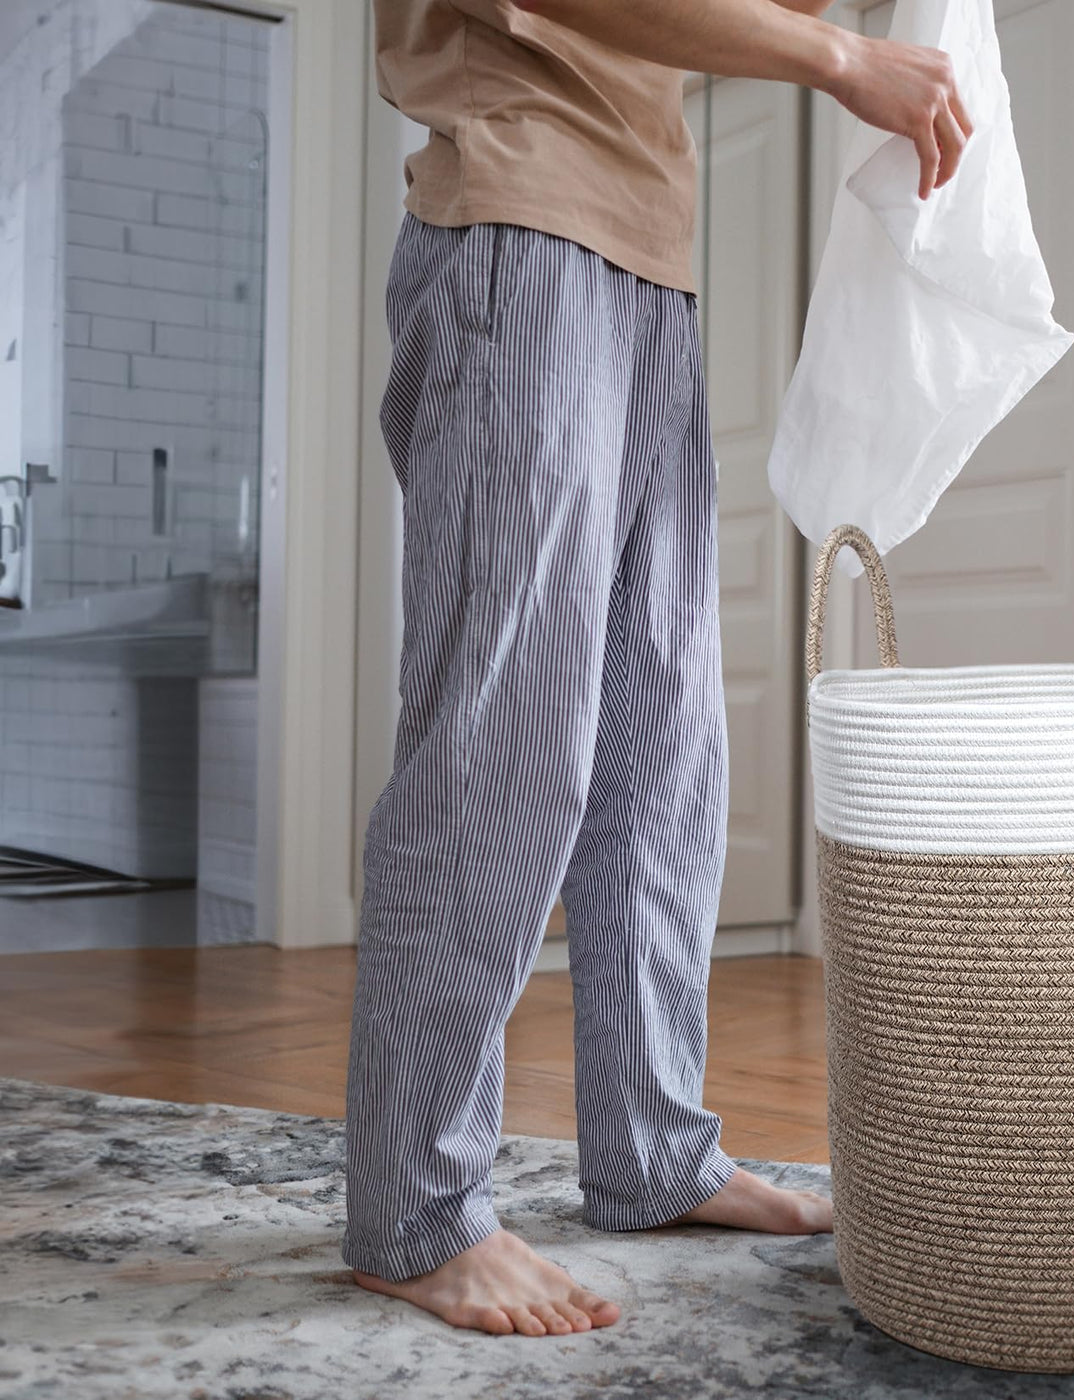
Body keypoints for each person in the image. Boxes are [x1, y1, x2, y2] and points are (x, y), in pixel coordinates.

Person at [344, 0, 972, 1339]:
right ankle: (415, 1211)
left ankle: (653, 1152)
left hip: (647, 263)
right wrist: (839, 59)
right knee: (505, 747)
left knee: (663, 753)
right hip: (517, 225)